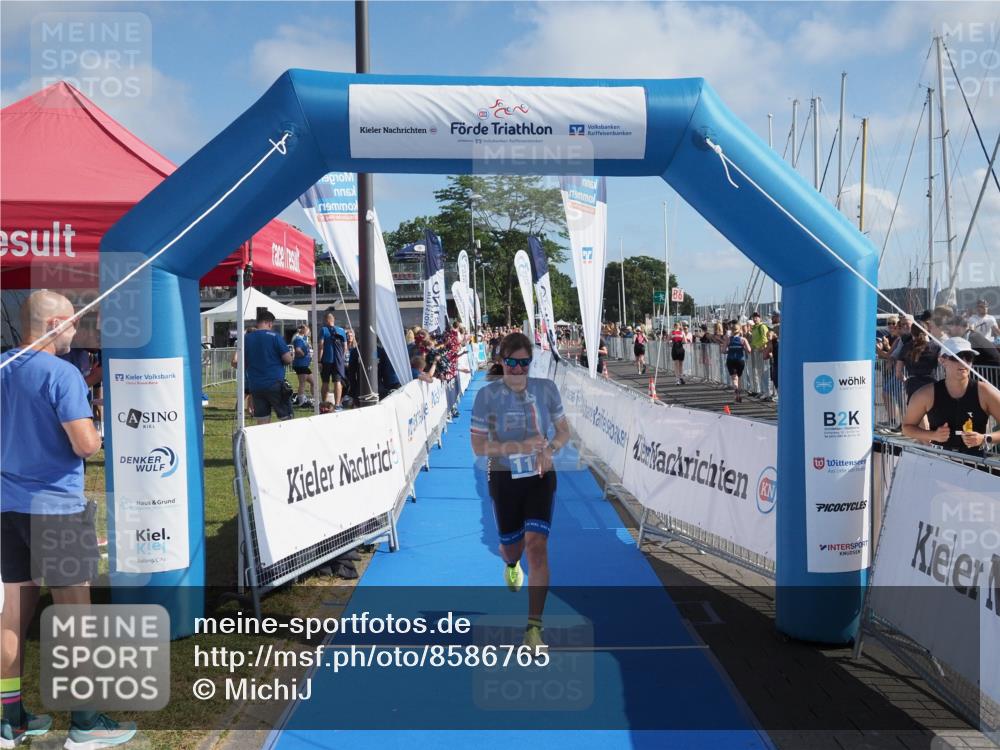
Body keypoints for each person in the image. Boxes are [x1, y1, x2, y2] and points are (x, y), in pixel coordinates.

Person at [1, 291, 136, 749]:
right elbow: (85, 444)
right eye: (74, 323)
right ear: (55, 323)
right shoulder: (61, 373)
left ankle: (10, 720)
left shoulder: (3, 366)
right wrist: (96, 430)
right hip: (56, 508)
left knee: (12, 616)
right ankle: (85, 722)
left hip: (8, 508)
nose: (76, 332)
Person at [470, 333, 570, 649]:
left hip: (540, 477)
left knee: (536, 546)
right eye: (512, 363)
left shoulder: (546, 389)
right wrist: (519, 446)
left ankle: (534, 628)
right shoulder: (486, 396)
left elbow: (564, 431)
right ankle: (512, 565)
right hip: (504, 477)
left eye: (524, 363)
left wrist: (550, 449)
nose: (518, 369)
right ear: (501, 362)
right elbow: (478, 447)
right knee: (512, 549)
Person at [902, 337, 1000, 457]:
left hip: (975, 461)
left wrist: (984, 438)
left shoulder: (985, 392)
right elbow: (907, 427)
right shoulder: (926, 394)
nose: (963, 362)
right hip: (940, 460)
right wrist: (933, 435)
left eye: (968, 357)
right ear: (942, 360)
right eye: (956, 357)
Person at [244, 310, 294, 425]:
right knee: (286, 418)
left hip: (255, 384)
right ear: (269, 323)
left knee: (262, 420)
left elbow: (243, 361)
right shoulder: (275, 337)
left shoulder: (246, 338)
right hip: (274, 383)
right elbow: (288, 359)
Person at [319, 312, 347, 409]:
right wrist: (341, 358)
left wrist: (319, 361)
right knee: (337, 382)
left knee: (325, 382)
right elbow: (345, 347)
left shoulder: (323, 330)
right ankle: (337, 404)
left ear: (327, 320)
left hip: (326, 360)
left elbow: (321, 346)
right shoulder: (342, 330)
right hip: (338, 361)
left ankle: (324, 403)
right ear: (333, 320)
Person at [724, 320, 751, 403]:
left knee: (734, 378)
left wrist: (729, 350)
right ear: (740, 330)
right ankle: (738, 394)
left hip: (730, 360)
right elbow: (749, 350)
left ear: (732, 331)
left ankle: (735, 389)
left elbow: (723, 350)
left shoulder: (728, 339)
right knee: (739, 377)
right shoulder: (743, 339)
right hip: (740, 360)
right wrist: (742, 348)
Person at [291, 325, 315, 408]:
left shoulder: (304, 339)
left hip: (304, 365)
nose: (308, 332)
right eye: (307, 330)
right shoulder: (298, 339)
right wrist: (303, 354)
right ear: (303, 330)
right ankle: (301, 401)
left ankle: (315, 399)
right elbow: (298, 349)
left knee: (313, 382)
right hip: (300, 364)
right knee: (302, 383)